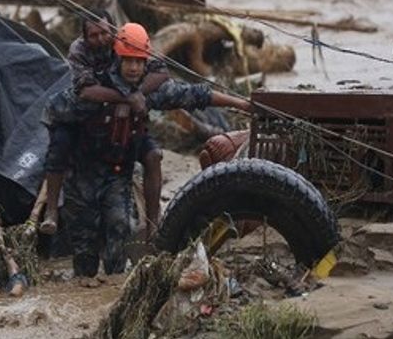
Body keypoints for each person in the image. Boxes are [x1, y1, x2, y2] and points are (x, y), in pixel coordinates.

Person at [47, 23, 251, 281]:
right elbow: (55, 110)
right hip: (82, 175)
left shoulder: (148, 90)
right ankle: (83, 284)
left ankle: (114, 284)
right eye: (128, 61)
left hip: (117, 173)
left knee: (119, 229)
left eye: (139, 62)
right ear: (117, 58)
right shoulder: (94, 87)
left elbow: (195, 94)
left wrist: (240, 103)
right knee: (84, 248)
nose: (133, 68)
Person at [39, 11, 168, 235]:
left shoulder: (126, 41)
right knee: (59, 146)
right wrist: (127, 97)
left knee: (152, 155)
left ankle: (153, 223)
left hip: (120, 117)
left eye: (104, 33)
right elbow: (87, 91)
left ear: (114, 31)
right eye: (94, 35)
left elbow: (162, 71)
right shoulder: (78, 51)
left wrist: (137, 93)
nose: (100, 39)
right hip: (81, 115)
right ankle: (51, 211)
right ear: (85, 36)